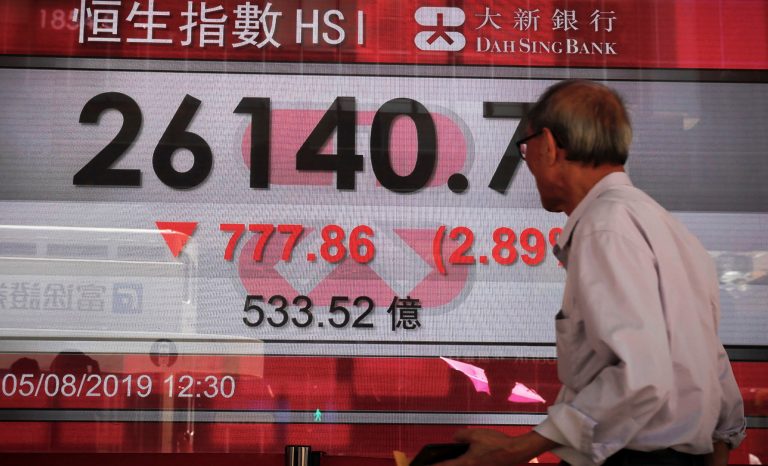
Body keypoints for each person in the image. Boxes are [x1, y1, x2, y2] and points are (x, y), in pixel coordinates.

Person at [436, 80, 746, 466]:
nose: (527, 162)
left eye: (525, 147)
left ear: (549, 145)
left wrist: (516, 449)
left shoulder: (604, 227)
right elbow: (713, 370)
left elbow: (640, 374)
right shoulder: (667, 227)